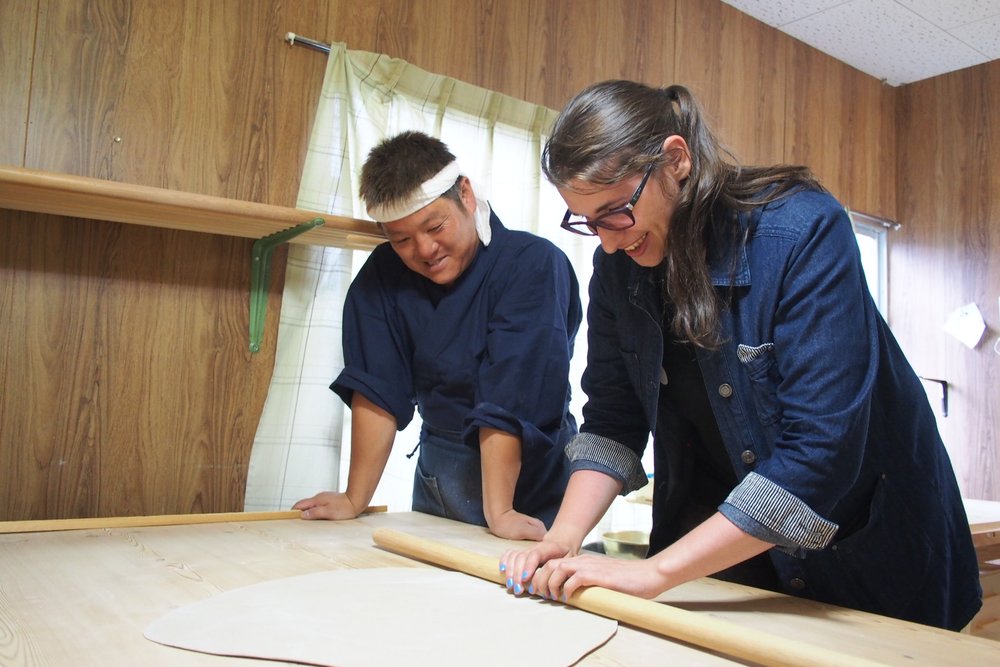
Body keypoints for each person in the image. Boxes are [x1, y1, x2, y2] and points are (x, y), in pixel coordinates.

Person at [499, 80, 982, 630]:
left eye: (615, 212)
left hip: (861, 553)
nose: (608, 242)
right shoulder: (618, 267)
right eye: (587, 221)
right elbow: (614, 418)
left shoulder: (800, 231)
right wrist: (564, 539)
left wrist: (654, 573)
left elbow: (819, 454)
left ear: (675, 159)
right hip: (720, 547)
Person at [294, 131, 582, 541]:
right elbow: (377, 388)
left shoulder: (532, 264)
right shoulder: (382, 277)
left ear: (465, 195)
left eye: (435, 226)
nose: (425, 250)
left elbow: (510, 394)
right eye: (402, 239)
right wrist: (355, 497)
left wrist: (500, 511)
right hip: (440, 467)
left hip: (533, 477)